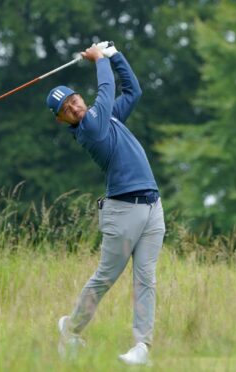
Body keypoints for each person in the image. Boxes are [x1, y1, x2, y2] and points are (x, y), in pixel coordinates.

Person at [47, 42, 165, 366]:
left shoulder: (105, 117)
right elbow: (108, 87)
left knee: (146, 278)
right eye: (65, 110)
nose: (73, 108)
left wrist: (115, 55)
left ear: (78, 97)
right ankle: (70, 330)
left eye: (73, 100)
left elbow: (134, 91)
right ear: (62, 120)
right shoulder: (89, 130)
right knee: (105, 278)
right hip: (123, 211)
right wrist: (99, 60)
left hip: (153, 207)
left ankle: (142, 347)